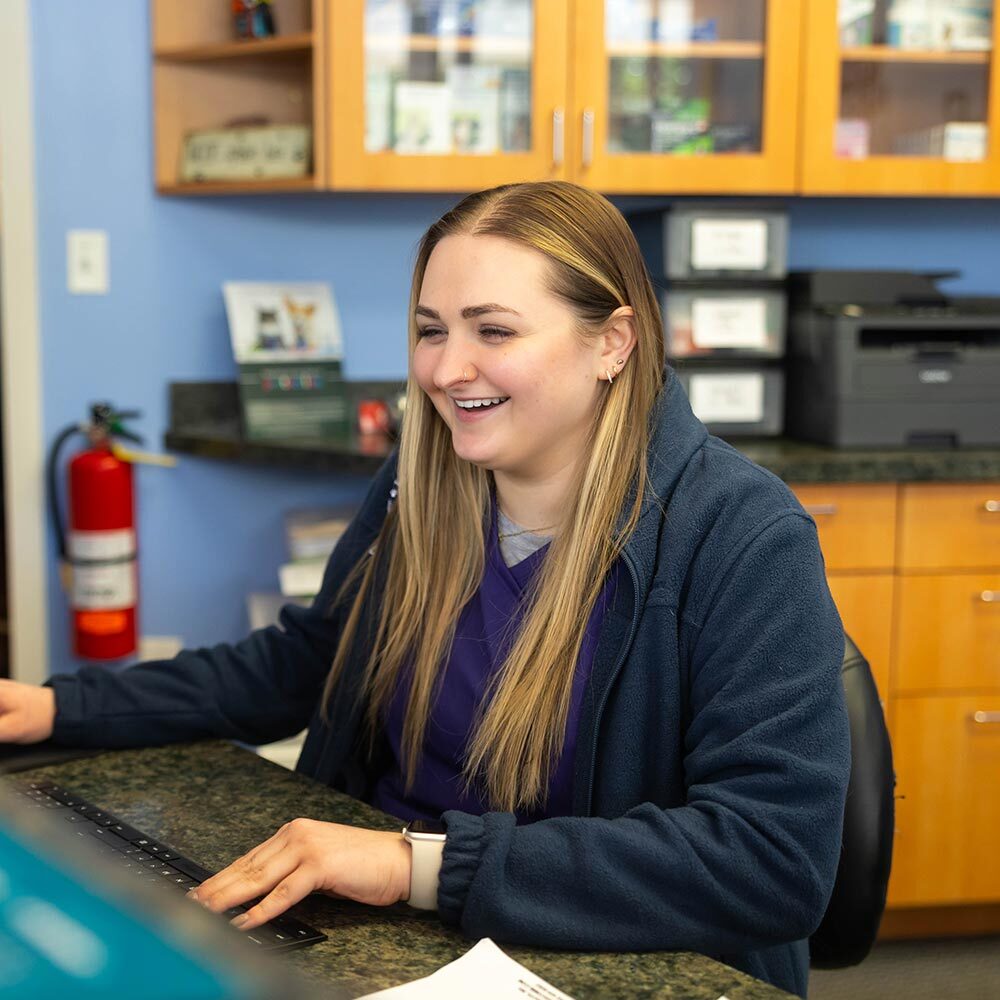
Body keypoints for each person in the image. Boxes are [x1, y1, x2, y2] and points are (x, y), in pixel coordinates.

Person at [0, 181, 849, 998]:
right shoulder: (424, 483)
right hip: (393, 935)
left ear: (613, 343)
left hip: (582, 956)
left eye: (494, 330)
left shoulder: (740, 536)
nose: (448, 370)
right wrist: (54, 709)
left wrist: (416, 864)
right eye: (431, 329)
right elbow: (307, 664)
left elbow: (771, 859)